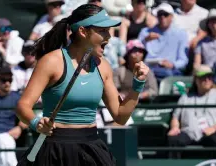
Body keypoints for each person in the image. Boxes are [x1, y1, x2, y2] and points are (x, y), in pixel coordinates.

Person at [15, 4, 149, 166]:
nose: (108, 36)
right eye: (102, 31)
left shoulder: (103, 66)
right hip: (54, 150)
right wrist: (37, 123)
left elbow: (121, 116)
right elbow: (23, 106)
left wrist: (137, 85)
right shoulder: (51, 62)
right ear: (83, 32)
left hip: (92, 147)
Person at [167, 65, 216, 159]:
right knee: (173, 139)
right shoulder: (185, 97)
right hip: (189, 132)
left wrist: (214, 128)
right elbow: (175, 117)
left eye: (209, 77)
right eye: (203, 77)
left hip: (213, 131)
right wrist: (175, 127)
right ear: (196, 80)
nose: (207, 80)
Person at [138, 3, 189, 82]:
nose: (162, 17)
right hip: (148, 69)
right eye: (160, 14)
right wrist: (145, 40)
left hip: (169, 70)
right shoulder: (145, 32)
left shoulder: (181, 34)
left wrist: (172, 65)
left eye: (165, 14)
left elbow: (183, 60)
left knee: (169, 74)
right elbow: (136, 53)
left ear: (171, 16)